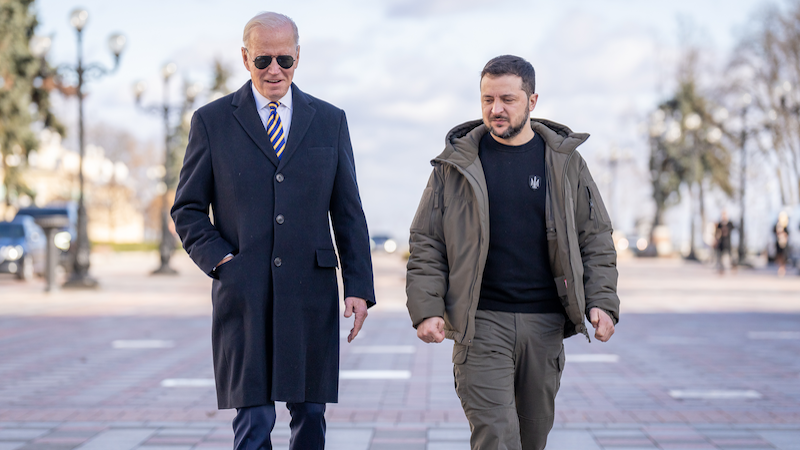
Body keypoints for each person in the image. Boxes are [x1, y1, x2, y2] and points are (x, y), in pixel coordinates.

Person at [171, 12, 375, 450]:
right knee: (254, 419)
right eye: (263, 59)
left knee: (310, 416)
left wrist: (358, 286)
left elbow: (348, 212)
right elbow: (187, 209)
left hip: (310, 291)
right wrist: (222, 260)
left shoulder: (330, 120)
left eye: (284, 58)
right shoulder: (212, 121)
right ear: (245, 58)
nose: (274, 70)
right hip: (245, 294)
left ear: (298, 56)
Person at [406, 55, 620, 450]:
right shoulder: (454, 165)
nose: (495, 109)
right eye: (487, 99)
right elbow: (427, 241)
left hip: (545, 326)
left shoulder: (566, 162)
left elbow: (596, 238)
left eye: (507, 99)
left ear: (532, 101)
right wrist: (427, 309)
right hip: (481, 325)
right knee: (495, 436)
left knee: (531, 439)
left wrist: (602, 302)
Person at [775, 211, 790, 277]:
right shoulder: (777, 226)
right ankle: (780, 268)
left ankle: (782, 268)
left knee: (784, 257)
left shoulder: (785, 227)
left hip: (784, 244)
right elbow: (774, 233)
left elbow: (788, 234)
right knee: (779, 256)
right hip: (778, 243)